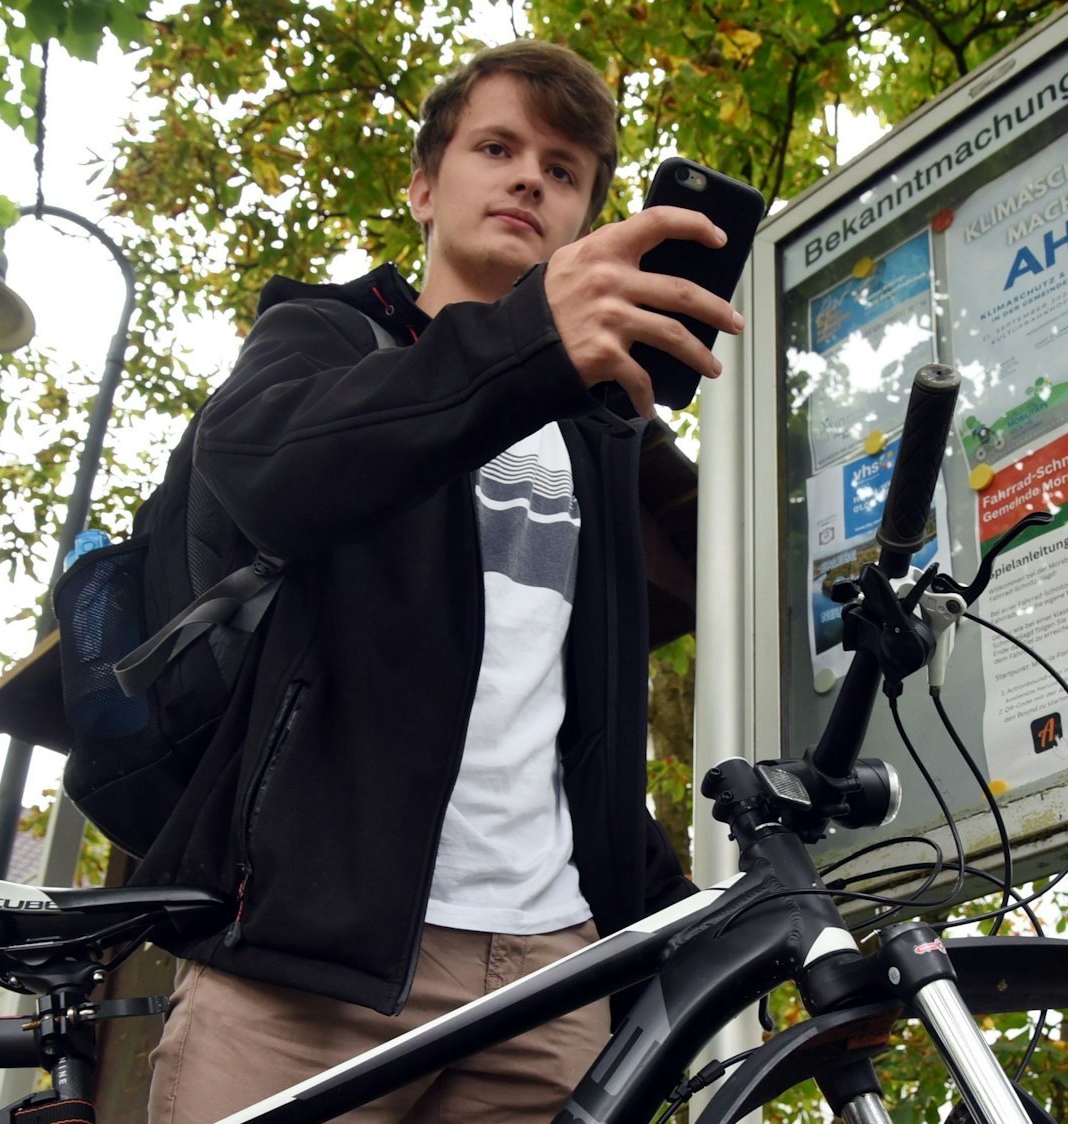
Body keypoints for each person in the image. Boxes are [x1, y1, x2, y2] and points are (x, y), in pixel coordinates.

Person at [134, 39, 736, 1124]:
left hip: (551, 978)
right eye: (497, 147)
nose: (528, 180)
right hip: (309, 963)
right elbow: (271, 475)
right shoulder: (323, 335)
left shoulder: (604, 440)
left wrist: (690, 918)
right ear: (423, 185)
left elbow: (575, 726)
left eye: (563, 172)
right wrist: (525, 343)